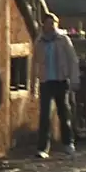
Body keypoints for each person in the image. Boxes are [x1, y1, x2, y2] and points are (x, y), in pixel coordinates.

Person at [33, 12, 79, 158]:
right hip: (46, 81)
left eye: (53, 23)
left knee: (64, 113)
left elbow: (72, 59)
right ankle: (43, 148)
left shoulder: (63, 40)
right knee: (44, 116)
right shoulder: (39, 41)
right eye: (47, 23)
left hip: (61, 80)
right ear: (43, 25)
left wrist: (74, 79)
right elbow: (34, 63)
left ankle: (68, 143)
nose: (50, 26)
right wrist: (34, 82)